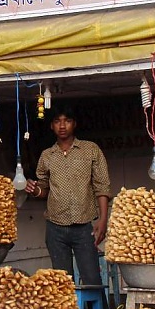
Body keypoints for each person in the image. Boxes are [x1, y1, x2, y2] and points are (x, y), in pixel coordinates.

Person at [25, 105, 110, 286]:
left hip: (84, 227)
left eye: (67, 121)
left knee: (92, 280)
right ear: (51, 126)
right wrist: (36, 190)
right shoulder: (47, 155)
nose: (62, 126)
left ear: (75, 124)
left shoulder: (90, 150)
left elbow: (102, 187)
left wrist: (103, 220)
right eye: (57, 121)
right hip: (55, 228)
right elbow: (44, 189)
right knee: (62, 284)